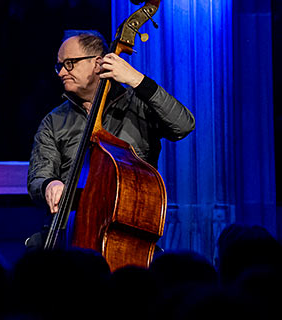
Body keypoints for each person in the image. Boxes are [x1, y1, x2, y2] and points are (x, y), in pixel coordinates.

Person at [27, 31, 195, 220]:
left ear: (98, 64)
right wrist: (50, 184)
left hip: (131, 223)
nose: (62, 73)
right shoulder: (54, 121)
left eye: (69, 64)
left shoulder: (137, 105)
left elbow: (183, 125)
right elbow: (38, 176)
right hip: (75, 226)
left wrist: (138, 80)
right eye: (60, 66)